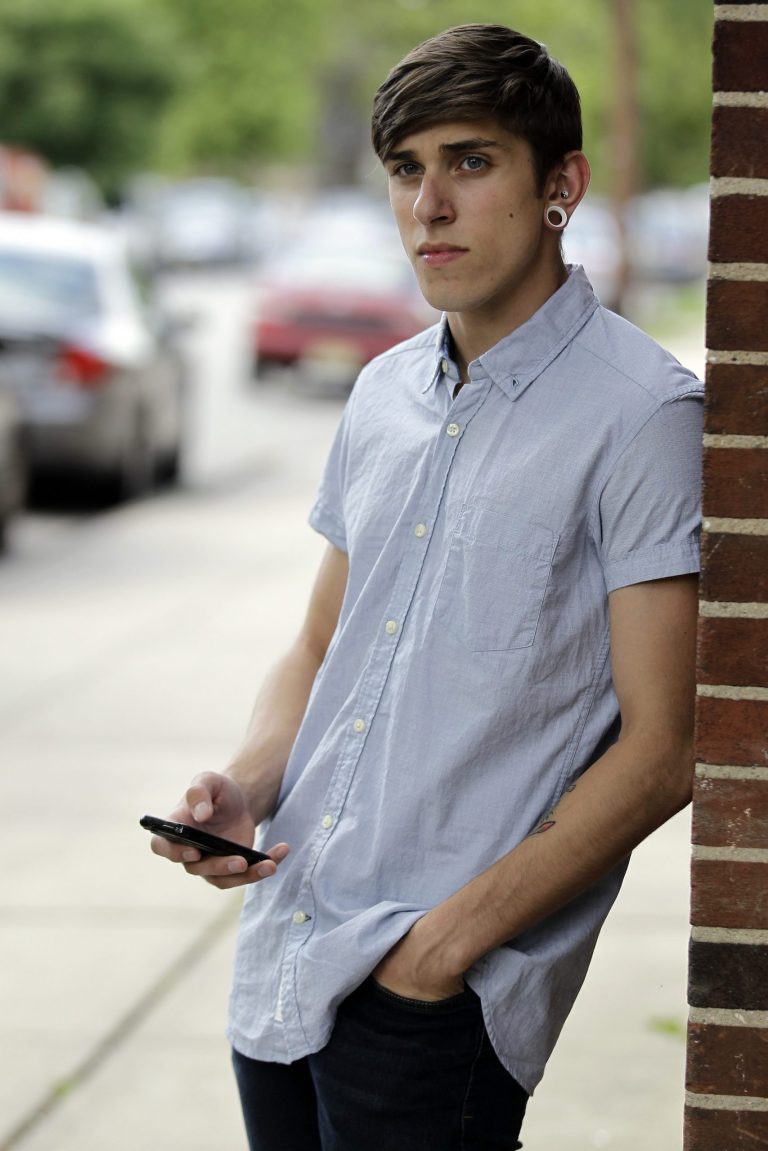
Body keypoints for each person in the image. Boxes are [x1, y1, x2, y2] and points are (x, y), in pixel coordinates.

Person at [149, 23, 703, 1151]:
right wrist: (249, 782)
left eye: (470, 160)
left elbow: (670, 744)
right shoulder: (383, 392)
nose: (428, 205)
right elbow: (318, 647)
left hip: (434, 995)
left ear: (563, 185)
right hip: (287, 950)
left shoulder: (641, 417)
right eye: (406, 169)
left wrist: (445, 951)